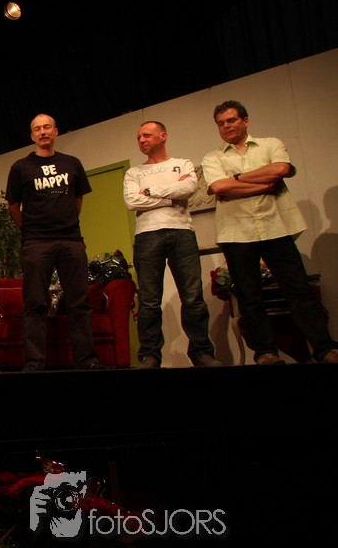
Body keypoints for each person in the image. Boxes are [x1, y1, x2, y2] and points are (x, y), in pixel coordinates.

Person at [201, 100, 338, 364]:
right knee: (249, 297)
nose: (226, 126)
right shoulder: (213, 157)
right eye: (220, 123)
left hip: (276, 227)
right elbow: (219, 187)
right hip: (236, 233)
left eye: (231, 120)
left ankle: (323, 348)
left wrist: (237, 178)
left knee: (298, 291)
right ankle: (264, 352)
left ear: (245, 121)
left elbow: (282, 169)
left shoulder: (270, 144)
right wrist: (263, 185)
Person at [5, 113, 107, 371]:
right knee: (35, 304)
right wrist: (28, 229)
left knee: (79, 302)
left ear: (56, 131)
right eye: (38, 129)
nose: (43, 132)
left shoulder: (72, 163)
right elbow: (13, 206)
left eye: (47, 127)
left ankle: (87, 360)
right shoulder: (20, 167)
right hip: (36, 243)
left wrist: (66, 221)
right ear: (32, 135)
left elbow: (78, 200)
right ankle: (35, 363)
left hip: (71, 240)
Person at [124, 121, 222, 368]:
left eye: (147, 135)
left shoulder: (183, 164)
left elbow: (188, 188)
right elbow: (132, 201)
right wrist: (170, 198)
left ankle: (201, 352)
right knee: (149, 300)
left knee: (192, 296)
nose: (141, 140)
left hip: (182, 232)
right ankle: (150, 355)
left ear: (163, 136)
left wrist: (150, 192)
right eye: (139, 137)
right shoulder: (133, 173)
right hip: (147, 235)